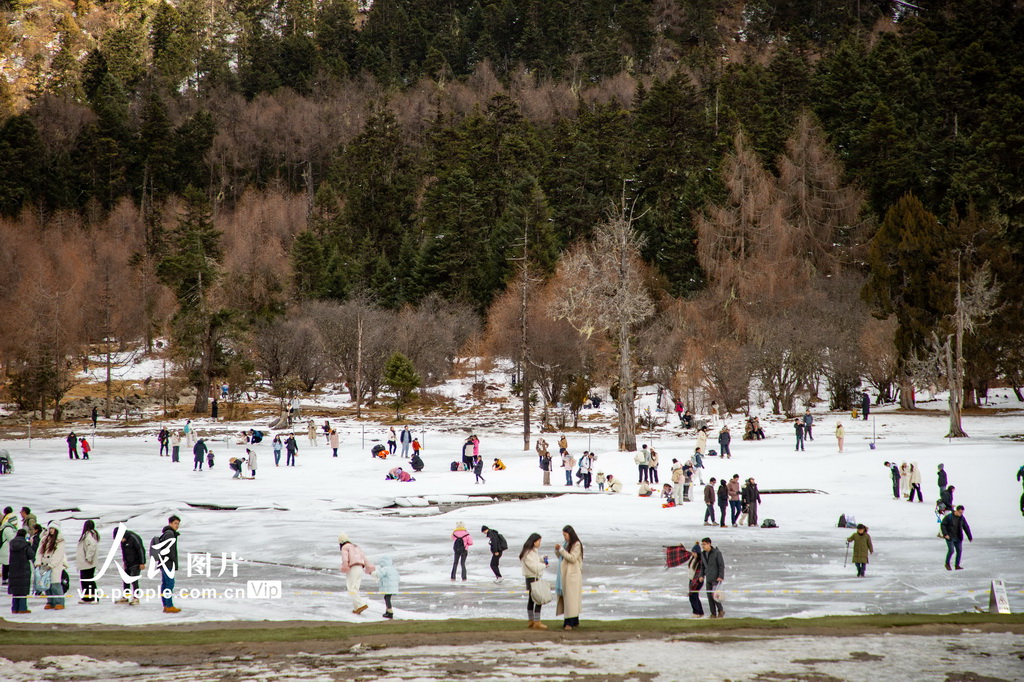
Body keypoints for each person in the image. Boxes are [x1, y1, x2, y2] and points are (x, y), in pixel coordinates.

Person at [555, 525, 583, 630]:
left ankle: (569, 622)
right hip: (566, 574)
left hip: (573, 575)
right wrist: (558, 551)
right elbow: (562, 557)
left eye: (565, 535)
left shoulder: (576, 544)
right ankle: (573, 620)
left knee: (571, 599)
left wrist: (561, 550)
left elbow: (572, 558)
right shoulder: (566, 544)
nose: (564, 537)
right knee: (568, 599)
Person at [338, 532, 374, 615]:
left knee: (351, 588)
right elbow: (364, 558)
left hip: (353, 568)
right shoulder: (356, 546)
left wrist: (345, 567)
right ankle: (357, 608)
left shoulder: (345, 547)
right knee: (355, 588)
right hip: (360, 568)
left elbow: (345, 559)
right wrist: (369, 567)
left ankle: (361, 604)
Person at [36, 522, 67, 610]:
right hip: (44, 564)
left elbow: (58, 554)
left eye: (53, 529)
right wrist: (38, 562)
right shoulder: (44, 539)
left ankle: (59, 602)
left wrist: (51, 565)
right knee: (46, 585)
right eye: (50, 529)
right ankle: (50, 601)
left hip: (54, 566)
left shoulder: (60, 540)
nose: (51, 530)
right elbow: (39, 552)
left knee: (55, 584)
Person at [519, 533, 548, 629]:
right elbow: (534, 567)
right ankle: (537, 621)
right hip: (533, 578)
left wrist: (541, 558)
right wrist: (544, 565)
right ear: (534, 541)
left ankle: (531, 620)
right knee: (539, 599)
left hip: (530, 578)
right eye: (539, 541)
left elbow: (534, 562)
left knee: (531, 599)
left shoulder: (530, 552)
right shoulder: (529, 553)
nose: (540, 543)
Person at [154, 515, 181, 613]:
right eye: (175, 523)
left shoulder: (167, 533)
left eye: (178, 524)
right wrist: (173, 558)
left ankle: (166, 605)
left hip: (164, 562)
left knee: (165, 584)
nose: (177, 525)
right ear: (170, 523)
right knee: (169, 584)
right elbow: (168, 550)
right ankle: (169, 606)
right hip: (167, 563)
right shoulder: (169, 534)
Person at [115, 526, 146, 605]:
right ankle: (126, 597)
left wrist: (142, 562)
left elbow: (141, 550)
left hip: (136, 562)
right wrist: (125, 562)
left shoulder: (133, 538)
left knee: (133, 580)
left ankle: (136, 598)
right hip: (128, 563)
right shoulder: (123, 541)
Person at [7, 529, 34, 613]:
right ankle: (22, 608)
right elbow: (31, 555)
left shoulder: (12, 543)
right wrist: (30, 544)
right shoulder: (25, 545)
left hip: (13, 568)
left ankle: (14, 608)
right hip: (23, 568)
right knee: (22, 589)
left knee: (15, 589)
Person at [941, 505, 972, 570]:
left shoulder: (962, 518)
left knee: (959, 551)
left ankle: (957, 565)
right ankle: (947, 564)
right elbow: (943, 525)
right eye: (960, 512)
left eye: (962, 513)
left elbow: (966, 527)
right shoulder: (949, 517)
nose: (961, 514)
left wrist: (969, 536)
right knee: (951, 550)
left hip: (958, 537)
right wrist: (945, 534)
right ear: (956, 511)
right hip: (950, 537)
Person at [75, 520, 99, 603]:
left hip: (87, 563)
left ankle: (94, 597)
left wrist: (89, 557)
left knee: (88, 580)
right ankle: (86, 597)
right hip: (86, 563)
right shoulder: (91, 535)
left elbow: (92, 546)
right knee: (86, 580)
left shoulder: (88, 535)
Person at [700, 537, 725, 618]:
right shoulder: (703, 554)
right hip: (708, 578)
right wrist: (701, 575)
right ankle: (713, 613)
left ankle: (720, 610)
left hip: (716, 578)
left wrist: (720, 576)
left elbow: (721, 565)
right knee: (709, 597)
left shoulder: (717, 553)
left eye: (704, 544)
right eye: (702, 544)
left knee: (715, 596)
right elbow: (702, 566)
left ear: (709, 544)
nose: (703, 546)